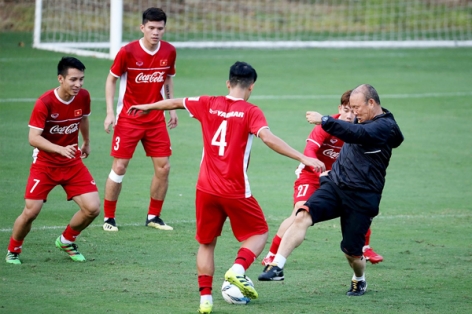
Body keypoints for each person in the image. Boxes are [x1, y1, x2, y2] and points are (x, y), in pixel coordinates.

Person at [127, 61, 324, 314]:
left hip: (205, 188)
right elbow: (268, 138)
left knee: (207, 244)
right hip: (234, 189)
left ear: (228, 83)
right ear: (251, 86)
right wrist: (303, 157)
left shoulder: (207, 102)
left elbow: (176, 102)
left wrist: (148, 106)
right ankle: (237, 270)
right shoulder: (252, 111)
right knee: (259, 232)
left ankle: (205, 300)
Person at [258, 84, 403, 297]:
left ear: (371, 103)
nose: (353, 113)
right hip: (336, 186)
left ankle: (359, 279)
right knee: (303, 215)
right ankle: (277, 266)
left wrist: (324, 120)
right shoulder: (363, 119)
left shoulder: (383, 126)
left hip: (362, 197)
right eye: (350, 108)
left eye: (357, 108)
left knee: (352, 254)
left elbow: (359, 133)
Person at [5, 57, 100, 265]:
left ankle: (66, 240)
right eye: (73, 79)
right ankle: (14, 249)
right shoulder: (45, 102)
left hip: (72, 162)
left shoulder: (83, 96)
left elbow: (83, 118)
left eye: (82, 79)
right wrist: (59, 149)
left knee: (92, 208)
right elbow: (33, 138)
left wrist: (86, 141)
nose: (78, 84)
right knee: (31, 212)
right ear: (60, 78)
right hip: (45, 165)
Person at [102, 7, 178, 232]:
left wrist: (172, 108)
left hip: (156, 119)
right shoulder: (127, 52)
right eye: (151, 28)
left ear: (164, 29)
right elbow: (111, 81)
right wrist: (109, 112)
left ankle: (154, 216)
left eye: (160, 28)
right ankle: (109, 218)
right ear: (142, 27)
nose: (156, 32)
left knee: (163, 168)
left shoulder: (169, 51)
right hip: (129, 119)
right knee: (120, 166)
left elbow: (168, 80)